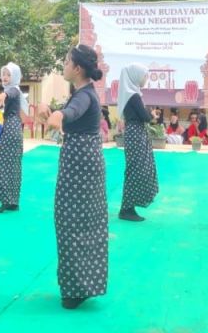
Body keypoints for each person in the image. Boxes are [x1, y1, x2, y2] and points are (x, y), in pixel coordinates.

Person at [43, 44, 108, 310]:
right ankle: (79, 285)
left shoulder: (84, 96)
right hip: (82, 162)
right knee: (80, 222)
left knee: (72, 222)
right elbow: (70, 114)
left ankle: (76, 288)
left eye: (67, 62)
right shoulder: (84, 92)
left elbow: (72, 112)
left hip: (80, 165)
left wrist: (60, 114)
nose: (64, 66)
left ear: (78, 68)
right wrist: (53, 113)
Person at [117, 63, 158, 222]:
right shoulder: (134, 96)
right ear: (135, 76)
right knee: (136, 170)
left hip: (134, 132)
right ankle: (126, 209)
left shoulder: (130, 94)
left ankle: (128, 207)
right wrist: (151, 114)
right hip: (136, 133)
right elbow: (145, 117)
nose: (146, 78)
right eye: (144, 75)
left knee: (134, 169)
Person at [0, 63, 25, 213]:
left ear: (15, 76)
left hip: (11, 128)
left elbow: (9, 93)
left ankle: (6, 200)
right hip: (12, 128)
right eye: (3, 74)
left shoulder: (14, 90)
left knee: (5, 164)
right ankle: (12, 201)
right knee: (13, 165)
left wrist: (2, 95)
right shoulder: (9, 91)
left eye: (8, 74)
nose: (5, 77)